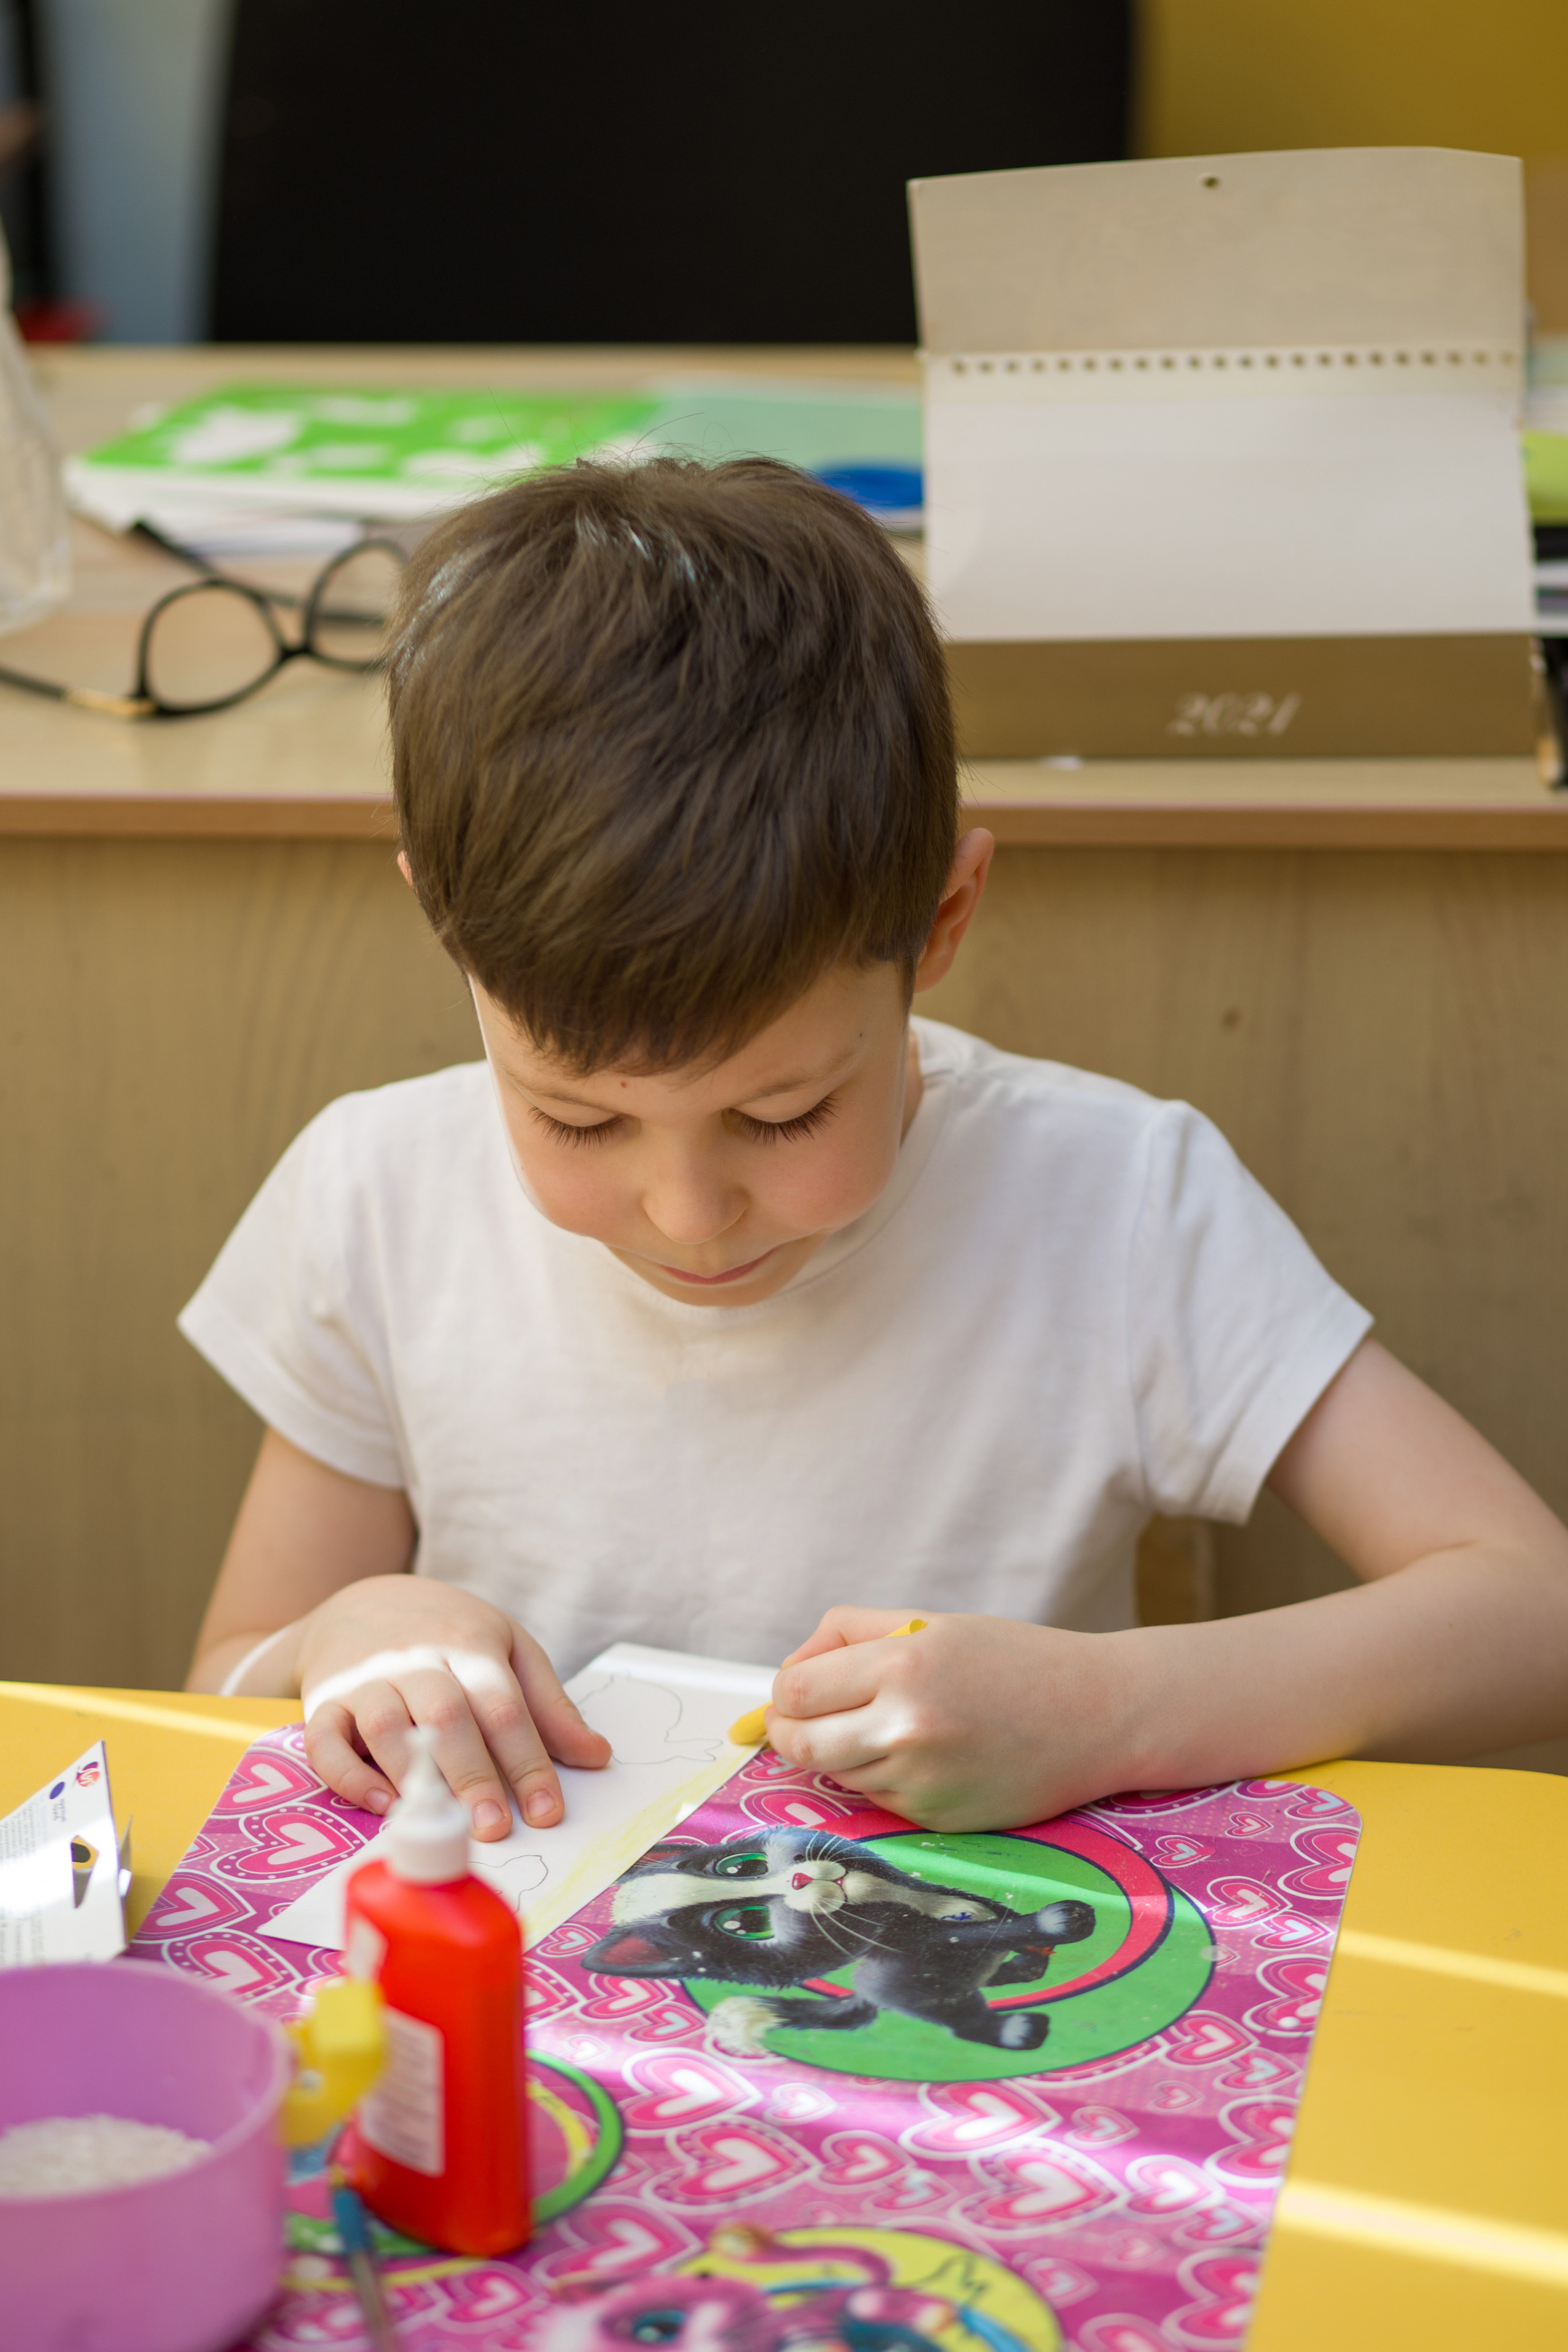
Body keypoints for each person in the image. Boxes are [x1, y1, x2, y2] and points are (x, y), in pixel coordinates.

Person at [184, 458, 1568, 1836]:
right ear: (443, 926)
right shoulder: (375, 1194)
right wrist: (342, 1639)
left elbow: (1530, 1609)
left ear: (942, 916)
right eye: (578, 1118)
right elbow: (226, 1690)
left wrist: (1109, 1711)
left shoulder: (1117, 1203)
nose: (686, 1212)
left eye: (782, 1115)